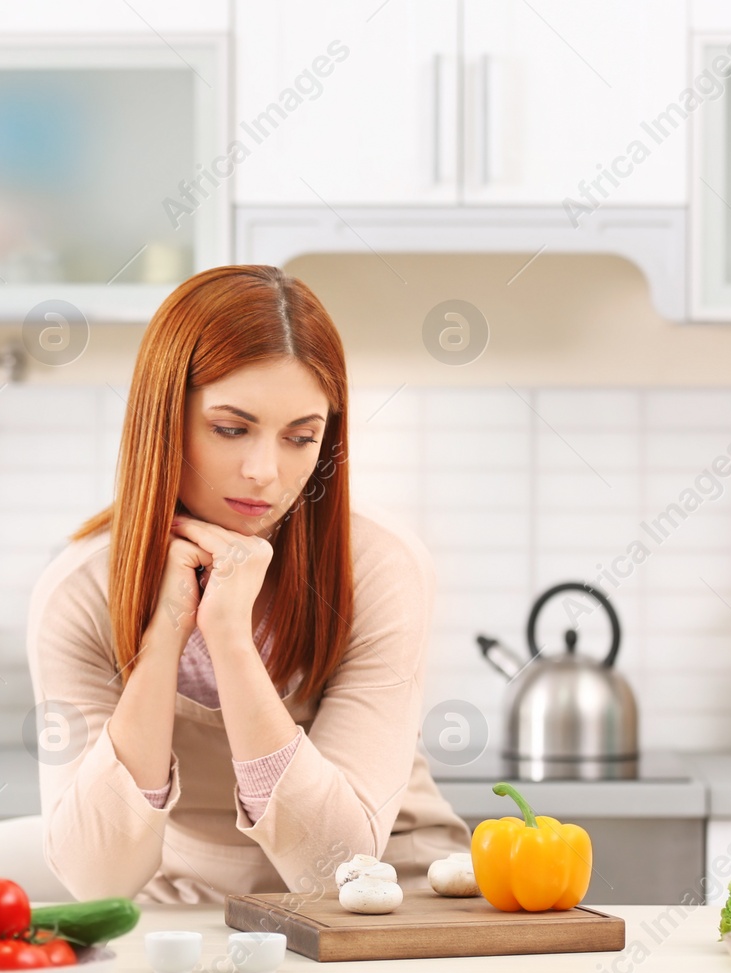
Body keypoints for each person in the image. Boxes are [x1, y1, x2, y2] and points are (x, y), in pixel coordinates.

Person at [26, 264, 471, 904]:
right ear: (164, 419)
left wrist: (230, 637)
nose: (265, 471)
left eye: (301, 438)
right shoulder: (80, 593)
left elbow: (335, 867)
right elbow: (99, 876)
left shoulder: (380, 567)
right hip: (195, 905)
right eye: (231, 429)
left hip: (390, 896)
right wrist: (163, 639)